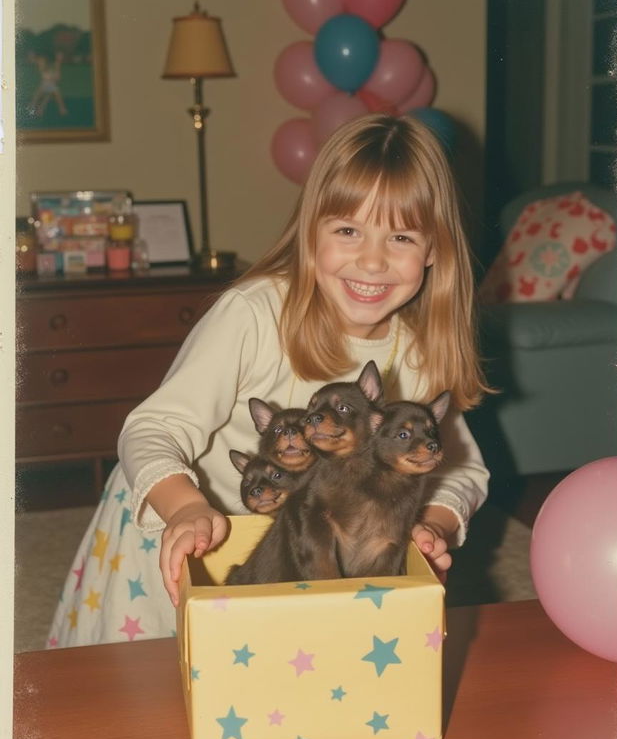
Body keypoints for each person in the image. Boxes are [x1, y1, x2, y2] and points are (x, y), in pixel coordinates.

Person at [47, 114, 490, 649]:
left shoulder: (418, 350)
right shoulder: (253, 315)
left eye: (400, 236)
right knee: (138, 696)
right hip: (183, 526)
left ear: (435, 250)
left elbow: (463, 468)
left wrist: (435, 524)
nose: (372, 260)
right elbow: (153, 428)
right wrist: (185, 506)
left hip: (298, 547)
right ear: (311, 233)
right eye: (348, 230)